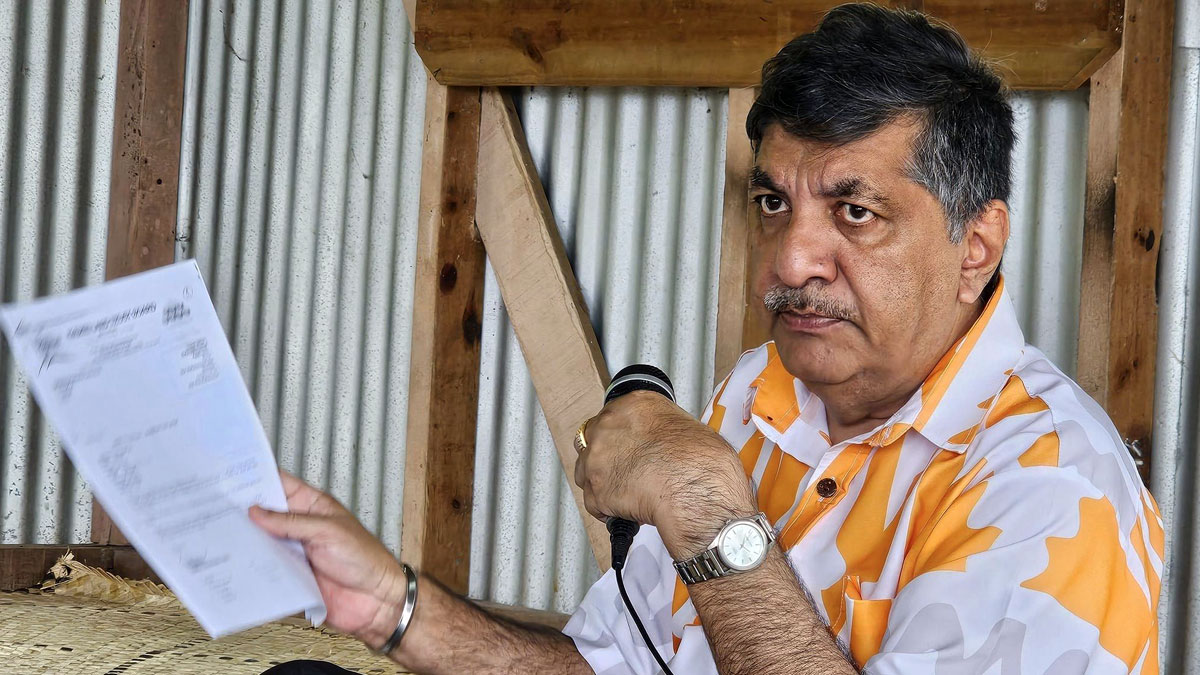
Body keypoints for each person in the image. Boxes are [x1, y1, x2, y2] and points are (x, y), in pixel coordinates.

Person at [252, 4, 1164, 673]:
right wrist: (396, 609)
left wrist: (712, 520)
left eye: (855, 211)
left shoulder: (1053, 489)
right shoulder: (761, 394)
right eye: (774, 202)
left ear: (976, 248)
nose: (792, 258)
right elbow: (613, 664)